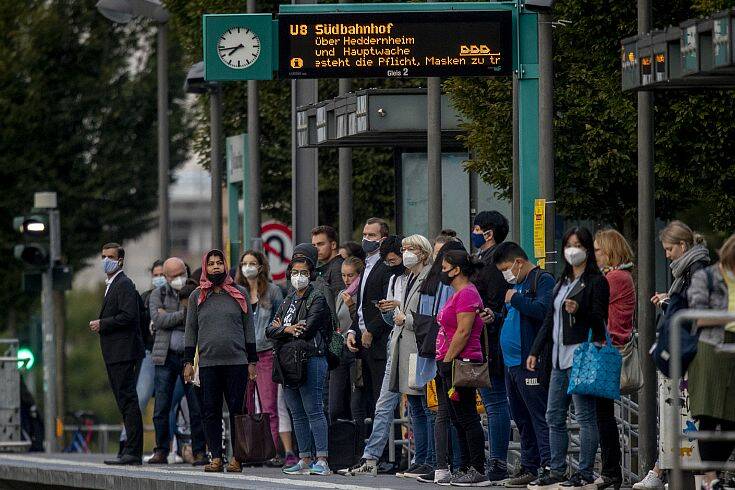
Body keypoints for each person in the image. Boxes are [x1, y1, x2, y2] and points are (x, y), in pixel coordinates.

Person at [341, 235, 435, 478]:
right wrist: (389, 311)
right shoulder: (399, 277)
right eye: (403, 249)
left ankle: (427, 459)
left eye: (409, 249)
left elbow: (427, 317)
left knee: (421, 406)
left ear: (423, 252)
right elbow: (396, 319)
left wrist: (403, 316)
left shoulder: (428, 278)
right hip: (397, 345)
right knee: (390, 404)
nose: (405, 253)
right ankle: (371, 457)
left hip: (417, 349)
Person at [526, 227, 610, 489]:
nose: (572, 250)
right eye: (568, 245)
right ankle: (557, 469)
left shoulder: (597, 282)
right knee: (554, 414)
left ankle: (584, 472)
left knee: (585, 415)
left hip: (582, 355)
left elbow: (599, 320)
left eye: (578, 245)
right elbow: (550, 320)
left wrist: (580, 309)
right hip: (558, 357)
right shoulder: (562, 281)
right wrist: (535, 350)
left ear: (587, 249)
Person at [636, 221, 711, 489]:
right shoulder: (689, 268)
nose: (667, 255)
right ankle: (662, 469)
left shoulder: (696, 269)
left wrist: (669, 302)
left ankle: (667, 471)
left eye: (669, 249)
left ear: (682, 245)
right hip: (686, 349)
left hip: (689, 352)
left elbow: (695, 308)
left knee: (684, 415)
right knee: (675, 414)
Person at [183, 249, 258, 473]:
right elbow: (191, 330)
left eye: (219, 263)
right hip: (208, 364)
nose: (216, 267)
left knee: (237, 409)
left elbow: (249, 330)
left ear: (225, 266)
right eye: (211, 264)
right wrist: (188, 362)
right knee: (210, 411)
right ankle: (215, 457)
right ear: (205, 268)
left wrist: (252, 361)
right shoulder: (197, 296)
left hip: (236, 362)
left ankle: (237, 457)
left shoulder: (239, 293)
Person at [492, 242, 555, 487]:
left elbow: (544, 311)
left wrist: (516, 299)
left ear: (519, 262)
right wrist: (495, 316)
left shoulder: (542, 280)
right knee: (521, 416)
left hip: (531, 361)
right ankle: (530, 466)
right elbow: (513, 316)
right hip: (512, 363)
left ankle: (549, 466)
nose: (505, 274)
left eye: (506, 268)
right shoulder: (516, 285)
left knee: (538, 415)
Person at [267, 244, 332, 476]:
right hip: (288, 361)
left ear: (311, 273)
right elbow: (269, 330)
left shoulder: (318, 298)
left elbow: (307, 328)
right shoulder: (288, 299)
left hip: (312, 358)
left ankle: (322, 459)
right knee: (296, 411)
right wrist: (288, 328)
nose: (299, 277)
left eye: (304, 272)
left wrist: (283, 328)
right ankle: (304, 458)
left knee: (313, 409)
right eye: (295, 272)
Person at [432, 250, 489, 486]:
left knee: (466, 416)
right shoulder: (457, 293)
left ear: (457, 269)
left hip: (461, 362)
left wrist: (449, 360)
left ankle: (477, 468)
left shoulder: (466, 293)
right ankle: (465, 466)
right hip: (451, 360)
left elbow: (464, 332)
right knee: (457, 418)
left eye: (445, 267)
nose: (442, 272)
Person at [686, 234, 735, 490]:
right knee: (707, 415)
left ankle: (713, 476)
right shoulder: (707, 276)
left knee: (730, 419)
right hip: (710, 348)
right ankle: (710, 478)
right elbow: (698, 316)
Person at [416, 239, 467, 485]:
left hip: (430, 350)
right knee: (457, 411)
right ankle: (458, 465)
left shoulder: (428, 282)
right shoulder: (453, 285)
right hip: (451, 352)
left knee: (439, 412)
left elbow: (422, 319)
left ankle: (439, 466)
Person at [89, 242, 145, 465]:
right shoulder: (112, 284)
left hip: (122, 352)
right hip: (115, 352)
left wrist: (103, 323)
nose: (105, 260)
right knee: (124, 400)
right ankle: (129, 449)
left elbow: (130, 315)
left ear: (120, 260)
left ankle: (133, 451)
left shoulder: (123, 284)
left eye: (110, 256)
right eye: (103, 256)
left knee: (128, 400)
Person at [147, 257, 206, 465]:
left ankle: (200, 450)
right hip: (165, 356)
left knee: (196, 406)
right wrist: (183, 315)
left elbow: (197, 319)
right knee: (161, 407)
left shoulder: (195, 291)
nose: (179, 279)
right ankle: (161, 449)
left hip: (189, 358)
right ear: (165, 277)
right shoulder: (157, 294)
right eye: (174, 276)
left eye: (182, 273)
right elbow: (159, 320)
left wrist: (171, 316)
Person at [234, 250, 288, 466]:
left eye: (252, 263)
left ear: (261, 266)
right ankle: (248, 451)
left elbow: (281, 322)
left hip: (265, 354)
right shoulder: (236, 292)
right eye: (244, 263)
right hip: (241, 355)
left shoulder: (273, 291)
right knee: (244, 406)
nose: (248, 267)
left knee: (268, 406)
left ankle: (271, 451)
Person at [471, 210, 512, 481]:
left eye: (476, 229)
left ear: (488, 233)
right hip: (485, 341)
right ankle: (494, 461)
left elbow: (495, 305)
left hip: (491, 344)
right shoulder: (484, 260)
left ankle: (497, 462)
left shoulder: (493, 262)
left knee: (495, 402)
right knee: (492, 402)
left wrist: (489, 316)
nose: (472, 233)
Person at [594, 229, 636, 489]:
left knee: (602, 414)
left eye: (598, 250)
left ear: (610, 251)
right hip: (608, 347)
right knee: (601, 413)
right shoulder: (617, 276)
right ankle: (610, 470)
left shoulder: (616, 277)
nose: (594, 254)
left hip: (609, 349)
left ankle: (610, 470)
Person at [346, 218, 392, 417]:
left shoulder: (386, 266)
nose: (366, 239)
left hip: (379, 342)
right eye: (364, 235)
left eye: (371, 235)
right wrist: (352, 330)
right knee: (368, 404)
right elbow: (363, 308)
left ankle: (389, 449)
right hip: (363, 344)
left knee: (382, 402)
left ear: (383, 239)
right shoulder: (366, 266)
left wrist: (371, 330)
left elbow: (386, 306)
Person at [118, 259, 162, 457]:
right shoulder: (145, 298)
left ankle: (177, 446)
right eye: (156, 274)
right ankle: (125, 440)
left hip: (175, 354)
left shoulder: (178, 297)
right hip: (150, 353)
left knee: (174, 403)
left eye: (163, 274)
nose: (159, 278)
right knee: (140, 396)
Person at [329, 256, 364, 423]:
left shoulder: (361, 294)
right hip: (341, 349)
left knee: (356, 401)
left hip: (356, 349)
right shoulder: (342, 294)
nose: (346, 279)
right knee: (335, 403)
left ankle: (358, 442)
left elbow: (359, 321)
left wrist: (351, 305)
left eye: (350, 275)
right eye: (343, 275)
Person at [312, 225, 346, 297]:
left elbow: (339, 300)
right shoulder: (333, 266)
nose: (316, 249)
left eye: (320, 244)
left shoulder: (338, 267)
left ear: (333, 245)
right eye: (314, 245)